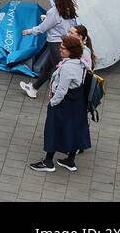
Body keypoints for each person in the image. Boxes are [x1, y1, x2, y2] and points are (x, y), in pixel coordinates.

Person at [29, 34, 91, 173]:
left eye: (63, 48)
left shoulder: (67, 68)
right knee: (74, 129)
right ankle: (70, 160)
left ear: (71, 51)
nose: (60, 50)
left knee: (53, 129)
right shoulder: (81, 63)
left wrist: (53, 103)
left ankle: (48, 162)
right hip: (77, 101)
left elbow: (61, 91)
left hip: (65, 103)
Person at [20, 0, 80, 99]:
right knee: (47, 68)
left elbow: (43, 28)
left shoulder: (54, 12)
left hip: (55, 44)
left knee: (60, 70)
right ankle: (33, 88)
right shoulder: (69, 8)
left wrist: (29, 31)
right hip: (64, 41)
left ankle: (65, 95)